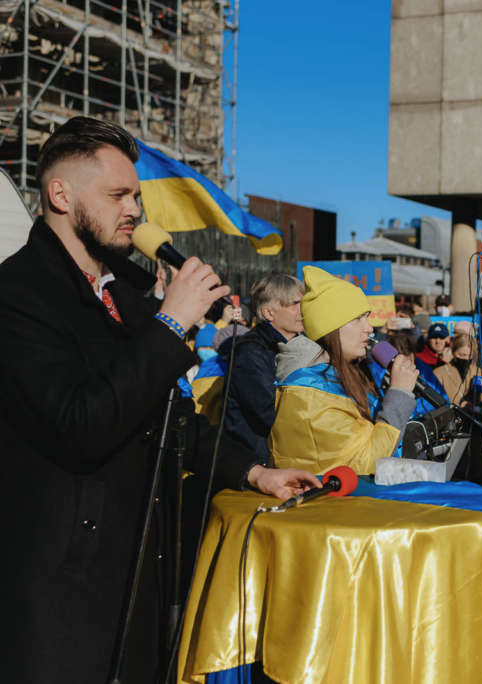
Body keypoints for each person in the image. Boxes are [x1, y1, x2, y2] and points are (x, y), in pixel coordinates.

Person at [0, 116, 319, 683]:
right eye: (118, 195)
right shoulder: (19, 293)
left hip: (141, 569)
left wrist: (252, 472)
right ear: (59, 194)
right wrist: (171, 323)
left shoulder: (123, 296)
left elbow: (167, 418)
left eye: (137, 196)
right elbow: (80, 424)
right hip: (63, 587)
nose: (135, 211)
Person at [270, 266, 421, 475]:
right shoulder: (308, 393)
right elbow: (365, 466)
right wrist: (399, 394)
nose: (369, 327)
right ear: (331, 327)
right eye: (358, 318)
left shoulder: (345, 375)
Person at [222, 273, 305, 466]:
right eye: (295, 304)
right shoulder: (250, 352)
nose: (303, 310)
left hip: (284, 455)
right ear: (269, 313)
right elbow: (270, 413)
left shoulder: (299, 345)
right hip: (257, 463)